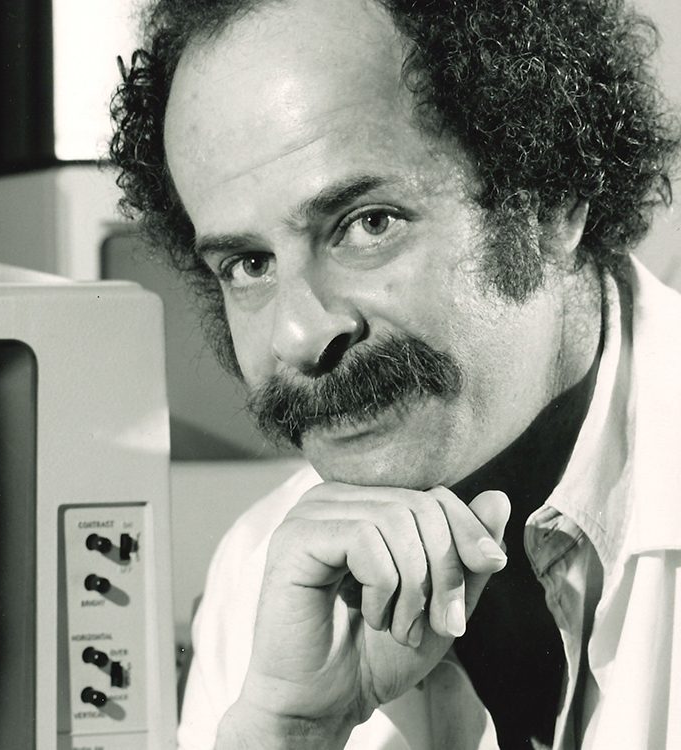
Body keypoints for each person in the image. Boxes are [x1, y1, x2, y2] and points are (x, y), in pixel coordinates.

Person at [110, 0, 680, 748]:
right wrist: (291, 730)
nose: (300, 334)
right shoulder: (263, 580)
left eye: (368, 223)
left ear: (551, 194)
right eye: (248, 266)